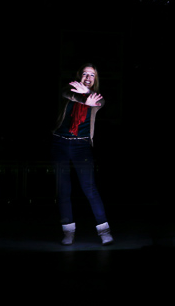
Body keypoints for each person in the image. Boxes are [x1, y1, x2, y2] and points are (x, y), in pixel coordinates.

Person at [51, 63, 113, 245]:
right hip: (60, 144)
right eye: (85, 74)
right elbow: (67, 94)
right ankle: (68, 232)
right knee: (63, 189)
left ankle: (104, 231)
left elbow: (100, 103)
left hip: (81, 146)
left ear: (95, 79)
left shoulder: (96, 97)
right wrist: (84, 99)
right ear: (79, 76)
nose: (88, 77)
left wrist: (87, 95)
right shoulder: (70, 89)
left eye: (92, 75)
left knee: (89, 188)